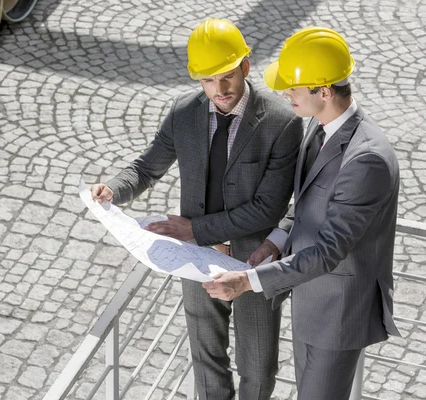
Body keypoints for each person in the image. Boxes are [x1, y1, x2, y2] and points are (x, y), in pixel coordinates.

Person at [91, 18, 303, 400]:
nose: (219, 90)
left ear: (245, 67)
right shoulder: (184, 112)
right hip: (196, 260)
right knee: (206, 361)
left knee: (257, 367)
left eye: (226, 77)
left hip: (252, 263)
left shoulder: (282, 122)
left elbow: (267, 209)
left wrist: (192, 230)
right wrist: (112, 189)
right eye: (207, 80)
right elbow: (145, 168)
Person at [203, 27, 402, 400]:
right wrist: (276, 241)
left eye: (293, 88)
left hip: (337, 313)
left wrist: (247, 281)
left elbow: (328, 251)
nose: (284, 94)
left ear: (323, 91)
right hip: (311, 298)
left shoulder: (366, 160)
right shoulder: (319, 127)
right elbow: (308, 205)